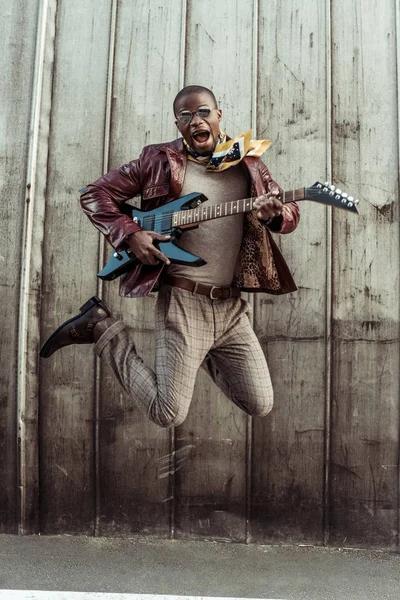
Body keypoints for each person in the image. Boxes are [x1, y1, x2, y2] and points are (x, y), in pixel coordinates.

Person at [40, 85, 300, 428]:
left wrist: (275, 216)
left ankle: (200, 353)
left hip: (231, 309)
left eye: (203, 112)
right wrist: (130, 235)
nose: (196, 120)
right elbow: (94, 194)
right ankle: (101, 328)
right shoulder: (158, 160)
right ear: (177, 123)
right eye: (186, 115)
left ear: (218, 116)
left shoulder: (248, 162)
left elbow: (288, 210)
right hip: (183, 302)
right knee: (168, 413)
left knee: (259, 402)